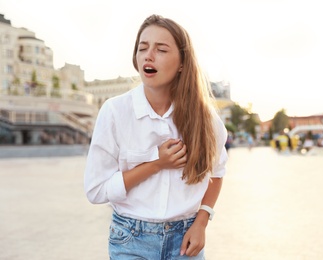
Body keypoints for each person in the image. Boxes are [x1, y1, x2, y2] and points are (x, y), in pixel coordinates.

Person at [84, 14, 228, 259]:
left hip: (186, 241)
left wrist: (202, 222)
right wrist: (156, 164)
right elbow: (96, 190)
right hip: (130, 239)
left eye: (161, 49)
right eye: (142, 48)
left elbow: (216, 172)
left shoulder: (206, 118)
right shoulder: (115, 112)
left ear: (182, 62)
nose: (148, 55)